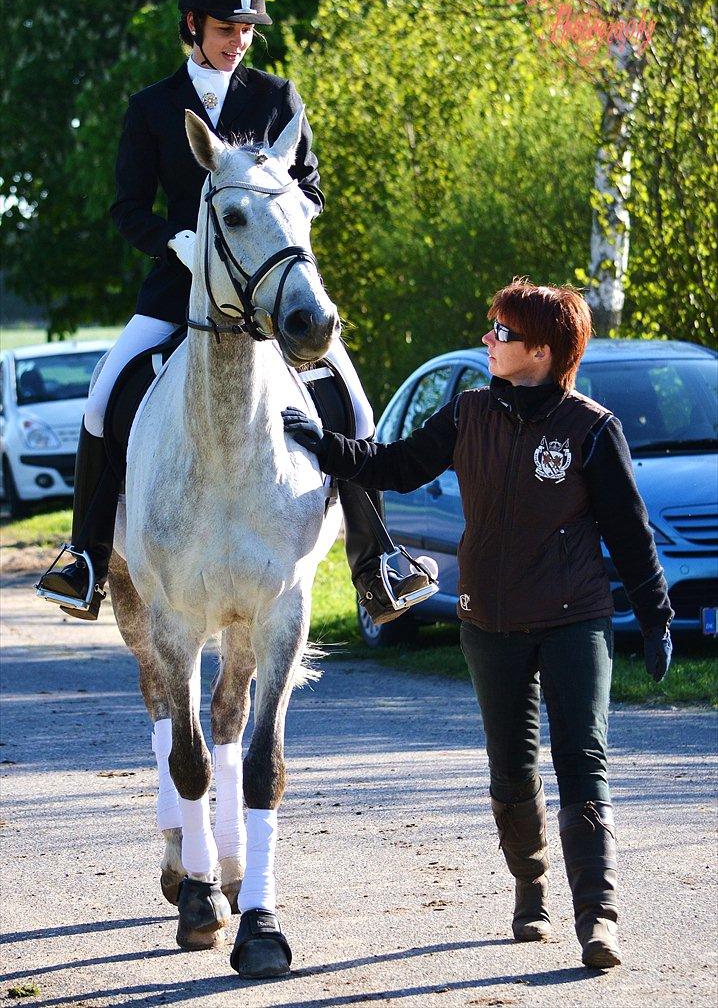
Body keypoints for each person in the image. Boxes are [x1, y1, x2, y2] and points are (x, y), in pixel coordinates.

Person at [283, 279, 674, 970]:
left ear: (543, 351)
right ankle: (531, 888)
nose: (488, 340)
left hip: (573, 619)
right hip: (488, 621)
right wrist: (325, 444)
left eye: (501, 332)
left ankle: (598, 918)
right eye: (491, 326)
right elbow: (395, 466)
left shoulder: (591, 429)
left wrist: (655, 618)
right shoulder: (467, 413)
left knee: (583, 760)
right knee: (512, 771)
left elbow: (631, 533)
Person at [37, 0, 430, 623]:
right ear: (193, 25)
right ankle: (86, 559)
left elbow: (309, 187)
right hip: (179, 293)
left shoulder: (277, 99)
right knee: (102, 400)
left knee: (356, 408)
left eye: (247, 30)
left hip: (272, 294)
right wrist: (178, 242)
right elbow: (127, 208)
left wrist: (279, 225)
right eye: (226, 29)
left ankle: (377, 563)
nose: (239, 41)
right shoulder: (153, 109)